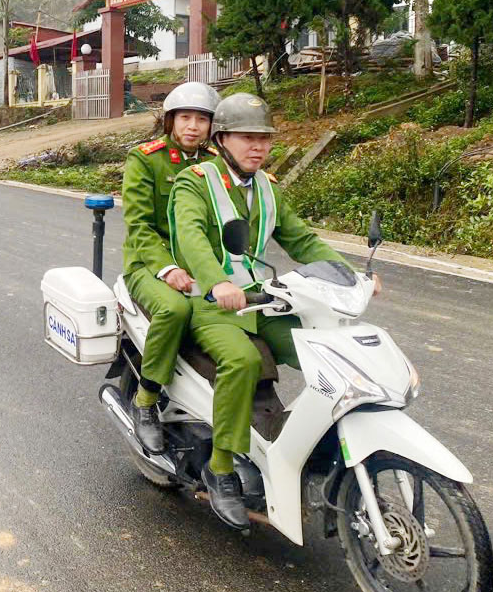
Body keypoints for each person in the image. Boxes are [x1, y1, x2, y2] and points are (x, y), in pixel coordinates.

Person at [169, 92, 376, 530]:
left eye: (264, 138)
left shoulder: (266, 187)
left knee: (324, 352)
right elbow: (191, 238)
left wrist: (351, 274)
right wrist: (217, 282)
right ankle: (221, 467)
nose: (258, 147)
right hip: (211, 304)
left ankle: (306, 447)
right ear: (221, 139)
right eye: (247, 138)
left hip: (262, 301)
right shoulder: (194, 182)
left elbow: (302, 239)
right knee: (243, 361)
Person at [121, 82, 221, 454]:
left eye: (201, 119)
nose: (193, 126)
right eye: (185, 118)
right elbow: (140, 226)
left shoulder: (216, 163)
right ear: (171, 121)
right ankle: (146, 400)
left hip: (200, 264)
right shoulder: (147, 159)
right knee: (175, 309)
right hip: (149, 263)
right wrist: (166, 268)